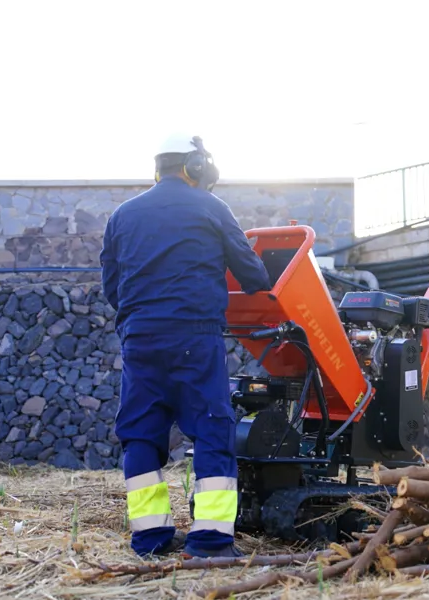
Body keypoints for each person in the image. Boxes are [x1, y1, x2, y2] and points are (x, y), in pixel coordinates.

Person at [99, 134, 271, 558]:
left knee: (140, 434)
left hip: (139, 339)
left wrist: (143, 318)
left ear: (158, 168)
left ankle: (150, 538)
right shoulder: (212, 207)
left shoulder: (122, 215)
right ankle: (210, 541)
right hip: (195, 337)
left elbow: (112, 287)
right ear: (196, 167)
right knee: (212, 430)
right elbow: (254, 277)